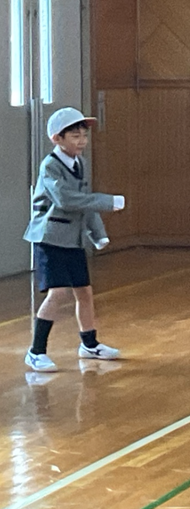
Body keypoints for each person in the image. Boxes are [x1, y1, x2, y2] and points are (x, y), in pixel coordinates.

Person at [23, 107, 126, 372]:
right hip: (50, 239)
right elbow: (67, 200)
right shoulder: (50, 166)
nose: (82, 141)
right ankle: (36, 351)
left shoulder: (80, 164)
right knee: (58, 293)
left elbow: (84, 203)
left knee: (84, 292)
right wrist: (108, 202)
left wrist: (98, 233)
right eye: (75, 136)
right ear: (57, 139)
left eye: (84, 135)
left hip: (73, 240)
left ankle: (89, 344)